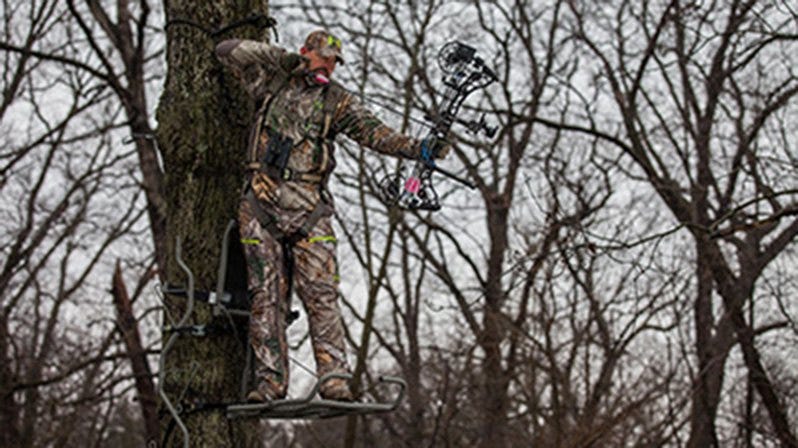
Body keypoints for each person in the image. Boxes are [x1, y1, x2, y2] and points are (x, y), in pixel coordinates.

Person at [215, 30, 447, 402]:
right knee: (266, 297)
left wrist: (420, 148)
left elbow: (376, 133)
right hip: (261, 206)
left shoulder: (336, 101)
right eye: (323, 57)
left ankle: (334, 379)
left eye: (334, 61)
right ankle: (270, 384)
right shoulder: (272, 80)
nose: (329, 65)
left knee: (322, 294)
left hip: (310, 210)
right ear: (306, 51)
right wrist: (284, 59)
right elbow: (226, 51)